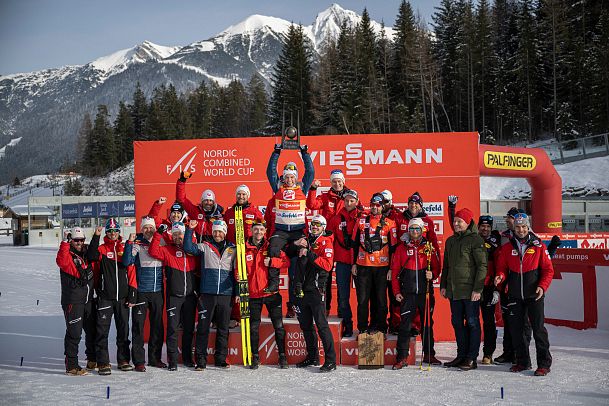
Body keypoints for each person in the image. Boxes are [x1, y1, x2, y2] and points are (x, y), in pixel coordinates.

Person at [494, 213, 554, 376]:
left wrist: (542, 287)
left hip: (534, 295)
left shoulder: (539, 246)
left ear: (528, 228)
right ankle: (522, 362)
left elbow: (549, 270)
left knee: (538, 329)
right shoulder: (507, 248)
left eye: (524, 227)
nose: (520, 230)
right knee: (517, 330)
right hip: (514, 295)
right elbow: (502, 269)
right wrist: (500, 276)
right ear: (514, 228)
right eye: (518, 227)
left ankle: (543, 364)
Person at [183, 219, 237, 370]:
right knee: (203, 328)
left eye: (220, 231)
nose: (217, 234)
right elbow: (188, 248)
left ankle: (220, 359)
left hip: (226, 294)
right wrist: (190, 230)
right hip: (207, 294)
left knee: (223, 328)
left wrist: (237, 291)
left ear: (225, 233)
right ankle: (201, 360)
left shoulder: (233, 248)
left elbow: (238, 272)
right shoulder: (205, 246)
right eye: (215, 231)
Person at [87, 219, 137, 375]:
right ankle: (103, 362)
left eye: (115, 231)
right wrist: (96, 236)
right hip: (105, 298)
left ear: (119, 233)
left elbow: (131, 272)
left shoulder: (124, 248)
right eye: (110, 231)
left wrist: (132, 293)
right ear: (106, 233)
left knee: (123, 330)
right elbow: (91, 256)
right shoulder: (101, 249)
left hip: (122, 298)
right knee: (102, 331)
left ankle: (123, 360)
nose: (113, 233)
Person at [440, 208, 487, 371]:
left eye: (460, 221)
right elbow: (446, 266)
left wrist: (478, 289)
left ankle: (471, 358)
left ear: (468, 223)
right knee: (457, 323)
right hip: (454, 291)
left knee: (473, 323)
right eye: (455, 221)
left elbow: (482, 266)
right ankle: (461, 356)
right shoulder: (450, 241)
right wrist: (444, 285)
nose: (456, 224)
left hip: (470, 291)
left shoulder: (476, 240)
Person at [391, 218, 441, 369]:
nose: (414, 232)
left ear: (422, 230)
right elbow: (394, 272)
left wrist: (432, 274)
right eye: (412, 229)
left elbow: (437, 267)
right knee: (405, 325)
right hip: (408, 293)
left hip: (425, 292)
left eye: (417, 229)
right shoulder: (402, 248)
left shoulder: (428, 246)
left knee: (427, 324)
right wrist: (396, 292)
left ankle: (429, 354)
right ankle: (402, 357)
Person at [149, 221, 198, 371]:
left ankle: (188, 359)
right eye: (175, 234)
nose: (178, 237)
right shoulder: (167, 250)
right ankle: (173, 361)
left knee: (189, 328)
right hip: (174, 296)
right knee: (172, 328)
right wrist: (158, 233)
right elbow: (153, 251)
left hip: (190, 296)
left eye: (180, 234)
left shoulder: (192, 250)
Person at [265, 143, 314, 293]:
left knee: (303, 251)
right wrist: (276, 152)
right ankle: (274, 283)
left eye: (292, 177)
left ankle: (299, 284)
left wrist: (305, 153)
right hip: (281, 230)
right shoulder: (278, 188)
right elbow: (270, 171)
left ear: (296, 178)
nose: (290, 179)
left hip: (298, 230)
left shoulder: (302, 188)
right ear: (283, 177)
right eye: (287, 177)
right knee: (273, 248)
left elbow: (310, 171)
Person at [241, 218, 290, 369]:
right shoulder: (244, 248)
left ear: (265, 232)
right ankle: (255, 356)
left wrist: (273, 262)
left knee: (279, 326)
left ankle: (282, 356)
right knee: (254, 327)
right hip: (253, 295)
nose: (258, 232)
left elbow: (286, 262)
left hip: (271, 294)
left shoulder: (272, 247)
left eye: (261, 230)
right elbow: (239, 270)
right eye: (256, 229)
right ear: (251, 231)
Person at [293, 214, 337, 372]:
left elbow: (327, 265)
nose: (314, 227)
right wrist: (296, 244)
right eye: (313, 224)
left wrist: (309, 253)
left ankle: (331, 360)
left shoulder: (326, 242)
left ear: (323, 227)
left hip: (317, 289)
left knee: (322, 326)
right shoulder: (306, 240)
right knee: (306, 326)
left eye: (318, 224)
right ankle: (313, 357)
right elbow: (290, 254)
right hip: (302, 289)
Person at [123, 216, 166, 372]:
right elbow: (127, 261)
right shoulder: (137, 244)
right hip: (141, 291)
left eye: (151, 227)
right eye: (145, 228)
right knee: (138, 327)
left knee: (157, 327)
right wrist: (129, 243)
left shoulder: (161, 242)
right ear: (141, 229)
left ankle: (155, 359)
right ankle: (139, 361)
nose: (148, 230)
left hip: (157, 291)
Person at [307, 169, 352, 316]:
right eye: (334, 181)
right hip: (327, 241)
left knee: (342, 281)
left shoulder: (349, 196)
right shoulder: (326, 196)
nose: (337, 184)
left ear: (343, 182)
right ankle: (325, 309)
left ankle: (342, 312)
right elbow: (312, 205)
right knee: (324, 276)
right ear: (331, 182)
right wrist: (313, 189)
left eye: (339, 181)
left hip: (343, 244)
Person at [351, 193, 398, 334]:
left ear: (383, 206)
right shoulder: (360, 221)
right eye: (372, 205)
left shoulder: (390, 223)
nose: (375, 208)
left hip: (382, 267)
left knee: (381, 300)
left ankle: (382, 328)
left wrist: (391, 269)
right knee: (363, 300)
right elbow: (353, 244)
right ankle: (363, 328)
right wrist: (353, 264)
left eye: (377, 205)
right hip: (363, 265)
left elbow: (394, 248)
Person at [494, 206, 532, 365]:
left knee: (523, 323)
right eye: (508, 218)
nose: (508, 220)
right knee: (509, 321)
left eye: (510, 218)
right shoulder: (503, 236)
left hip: (521, 286)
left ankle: (520, 353)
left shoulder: (529, 236)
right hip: (505, 285)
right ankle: (508, 352)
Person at [56, 227, 97, 375]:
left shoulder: (85, 254)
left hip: (87, 300)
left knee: (91, 331)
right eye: (76, 240)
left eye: (81, 240)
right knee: (74, 333)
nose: (79, 243)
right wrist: (65, 243)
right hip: (73, 301)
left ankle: (92, 359)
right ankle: (72, 366)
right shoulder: (67, 256)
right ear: (71, 241)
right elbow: (60, 260)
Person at [223, 184, 264, 328]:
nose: (241, 197)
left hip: (248, 253)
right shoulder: (228, 213)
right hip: (232, 252)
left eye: (244, 194)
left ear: (248, 196)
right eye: (239, 194)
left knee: (248, 282)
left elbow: (261, 231)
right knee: (234, 283)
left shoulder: (255, 212)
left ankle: (246, 315)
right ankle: (234, 316)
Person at [326, 189, 360, 337]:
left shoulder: (363, 217)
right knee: (343, 295)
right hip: (342, 262)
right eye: (346, 200)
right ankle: (347, 324)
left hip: (361, 262)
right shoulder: (336, 219)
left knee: (363, 297)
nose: (349, 203)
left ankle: (364, 327)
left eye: (352, 200)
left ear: (357, 202)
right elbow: (328, 239)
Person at [476, 215, 502, 365]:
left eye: (488, 227)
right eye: (482, 226)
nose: (485, 229)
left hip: (488, 288)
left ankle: (488, 353)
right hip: (473, 288)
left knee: (488, 322)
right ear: (478, 227)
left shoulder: (495, 243)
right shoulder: (472, 240)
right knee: (471, 321)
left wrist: (497, 289)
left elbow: (500, 266)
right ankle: (470, 352)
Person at [176, 171, 224, 242]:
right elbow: (181, 199)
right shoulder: (195, 211)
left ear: (214, 202)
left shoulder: (219, 215)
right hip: (198, 246)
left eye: (210, 201)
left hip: (214, 247)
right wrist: (182, 181)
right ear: (202, 201)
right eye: (206, 200)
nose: (208, 203)